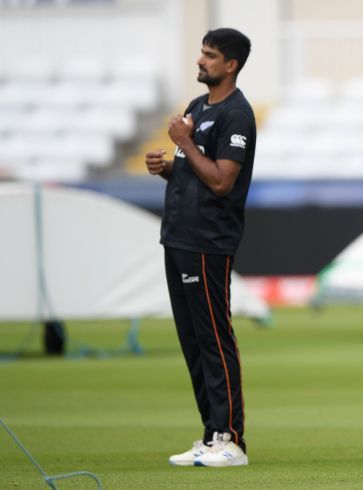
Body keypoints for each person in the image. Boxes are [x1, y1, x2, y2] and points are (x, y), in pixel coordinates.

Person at [145, 27, 255, 468]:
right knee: (192, 341)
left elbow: (223, 180)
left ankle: (232, 440)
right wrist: (169, 166)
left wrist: (184, 143)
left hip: (209, 240)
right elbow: (197, 172)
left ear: (230, 64)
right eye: (202, 53)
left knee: (213, 338)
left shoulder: (237, 114)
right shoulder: (197, 107)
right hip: (179, 236)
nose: (200, 61)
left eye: (210, 56)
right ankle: (211, 434)